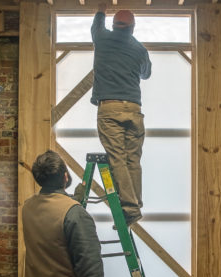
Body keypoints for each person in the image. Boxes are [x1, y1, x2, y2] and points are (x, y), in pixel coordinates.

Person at [91, 3, 152, 227]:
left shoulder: (102, 38)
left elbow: (96, 24)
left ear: (114, 26)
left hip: (110, 108)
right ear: (132, 28)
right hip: (134, 110)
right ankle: (135, 203)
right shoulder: (139, 49)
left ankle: (129, 208)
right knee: (133, 159)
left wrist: (101, 9)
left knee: (117, 158)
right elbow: (146, 74)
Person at [22, 150, 106, 277]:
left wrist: (73, 200)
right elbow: (91, 276)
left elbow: (52, 215)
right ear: (65, 177)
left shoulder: (28, 207)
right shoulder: (75, 215)